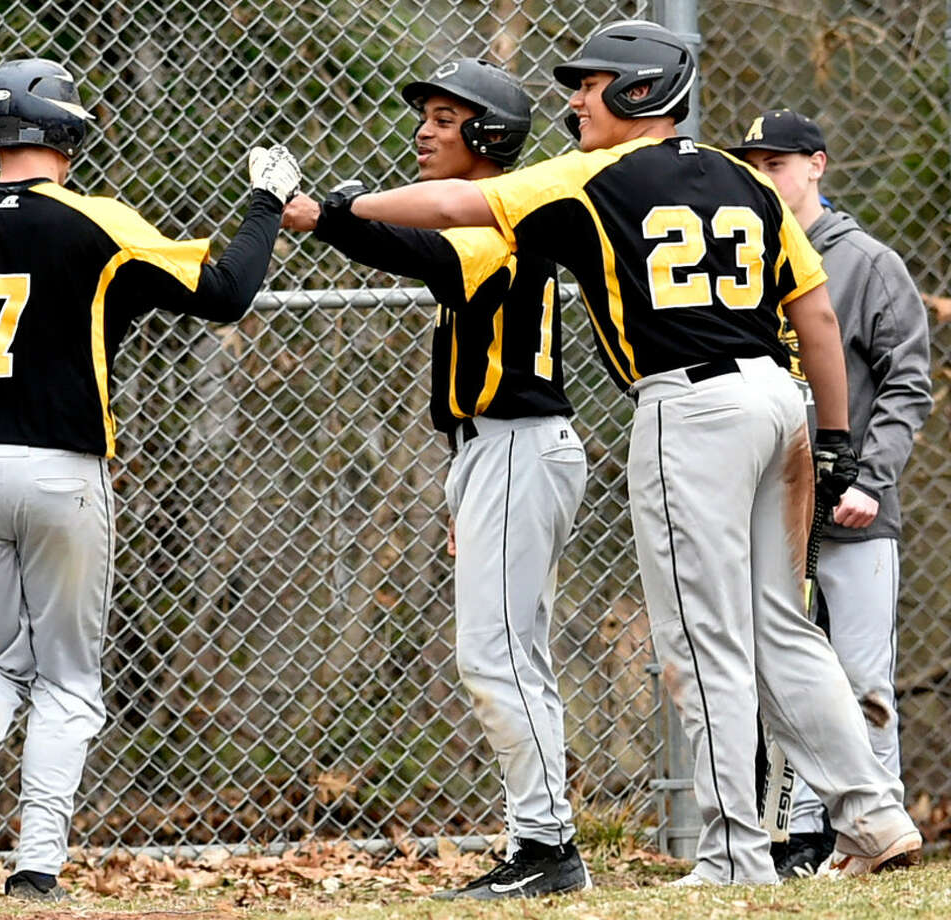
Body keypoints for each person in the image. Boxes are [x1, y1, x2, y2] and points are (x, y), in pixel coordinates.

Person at [340, 19, 923, 885]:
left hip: (689, 406)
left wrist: (349, 206)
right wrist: (834, 441)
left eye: (592, 83)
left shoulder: (595, 175)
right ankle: (873, 813)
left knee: (700, 634)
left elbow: (456, 205)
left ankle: (733, 855)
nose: (576, 100)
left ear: (641, 90)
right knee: (780, 625)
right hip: (777, 399)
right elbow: (819, 319)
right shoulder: (746, 179)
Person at [0, 58, 300, 900]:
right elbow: (228, 293)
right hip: (65, 469)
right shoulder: (98, 223)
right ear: (67, 134)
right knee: (69, 677)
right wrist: (266, 201)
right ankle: (35, 871)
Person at [283, 59, 590, 898]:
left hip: (520, 445)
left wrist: (329, 215)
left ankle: (547, 848)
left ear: (489, 137)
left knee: (495, 654)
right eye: (428, 116)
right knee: (511, 651)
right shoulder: (484, 224)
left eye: (448, 119)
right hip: (493, 450)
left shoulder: (497, 224)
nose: (426, 130)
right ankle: (543, 840)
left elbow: (411, 248)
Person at [728, 109, 933, 878]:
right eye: (752, 165)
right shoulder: (742, 262)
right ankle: (807, 833)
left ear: (817, 165)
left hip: (854, 510)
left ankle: (878, 829)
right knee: (781, 670)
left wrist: (872, 481)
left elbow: (909, 384)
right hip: (772, 506)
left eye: (777, 163)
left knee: (861, 674)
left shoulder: (867, 263)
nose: (765, 176)